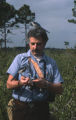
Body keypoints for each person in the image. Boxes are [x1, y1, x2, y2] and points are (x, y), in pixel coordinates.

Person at [6, 27, 64, 120]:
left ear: (44, 43)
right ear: (29, 43)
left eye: (39, 44)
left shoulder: (51, 63)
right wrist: (21, 83)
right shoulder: (20, 59)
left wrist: (46, 84)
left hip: (41, 110)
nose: (35, 47)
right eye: (32, 44)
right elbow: (8, 84)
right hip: (20, 109)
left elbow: (60, 89)